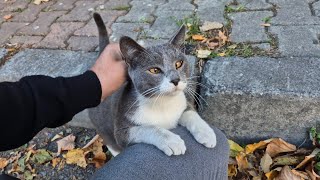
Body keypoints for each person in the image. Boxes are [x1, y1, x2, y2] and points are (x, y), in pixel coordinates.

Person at [0, 44, 229, 180]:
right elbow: (124, 133)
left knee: (214, 143)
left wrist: (93, 84)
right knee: (215, 147)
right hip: (118, 134)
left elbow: (185, 109)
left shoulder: (176, 93)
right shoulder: (134, 109)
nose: (175, 77)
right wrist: (157, 135)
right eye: (155, 70)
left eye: (178, 66)